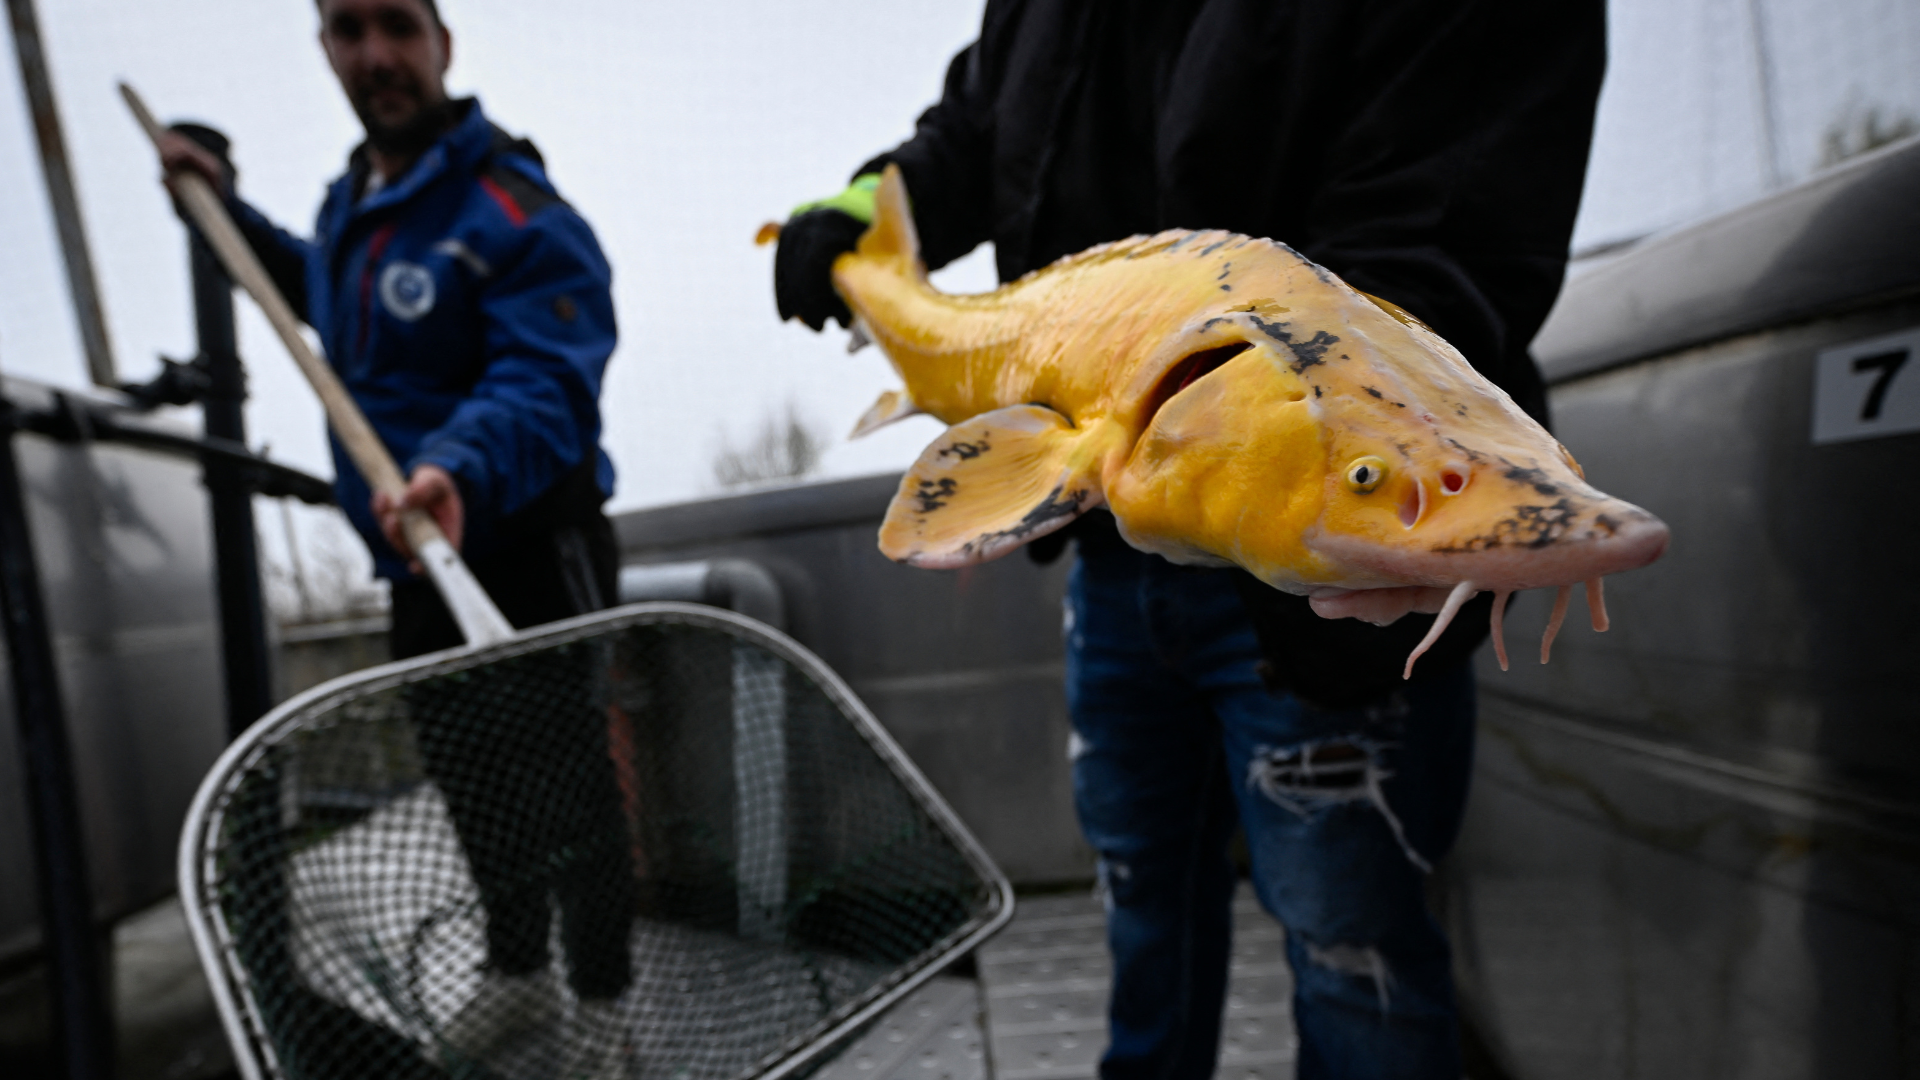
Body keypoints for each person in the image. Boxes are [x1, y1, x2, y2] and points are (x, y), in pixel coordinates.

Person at [771, 2, 1605, 1077]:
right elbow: (974, 129)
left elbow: (1450, 221)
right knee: (1142, 902)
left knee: (1355, 945)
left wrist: (1390, 480)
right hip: (1113, 536)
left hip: (1325, 569)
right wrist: (860, 211)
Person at [153, 0, 632, 1074]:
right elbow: (316, 296)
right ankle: (519, 973)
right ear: (325, 45)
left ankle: (603, 1006)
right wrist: (219, 211)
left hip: (521, 537)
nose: (377, 55)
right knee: (472, 783)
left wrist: (456, 460)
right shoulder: (350, 206)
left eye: (399, 26)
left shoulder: (508, 200)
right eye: (349, 28)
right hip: (413, 547)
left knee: (570, 790)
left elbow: (551, 370)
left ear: (443, 42)